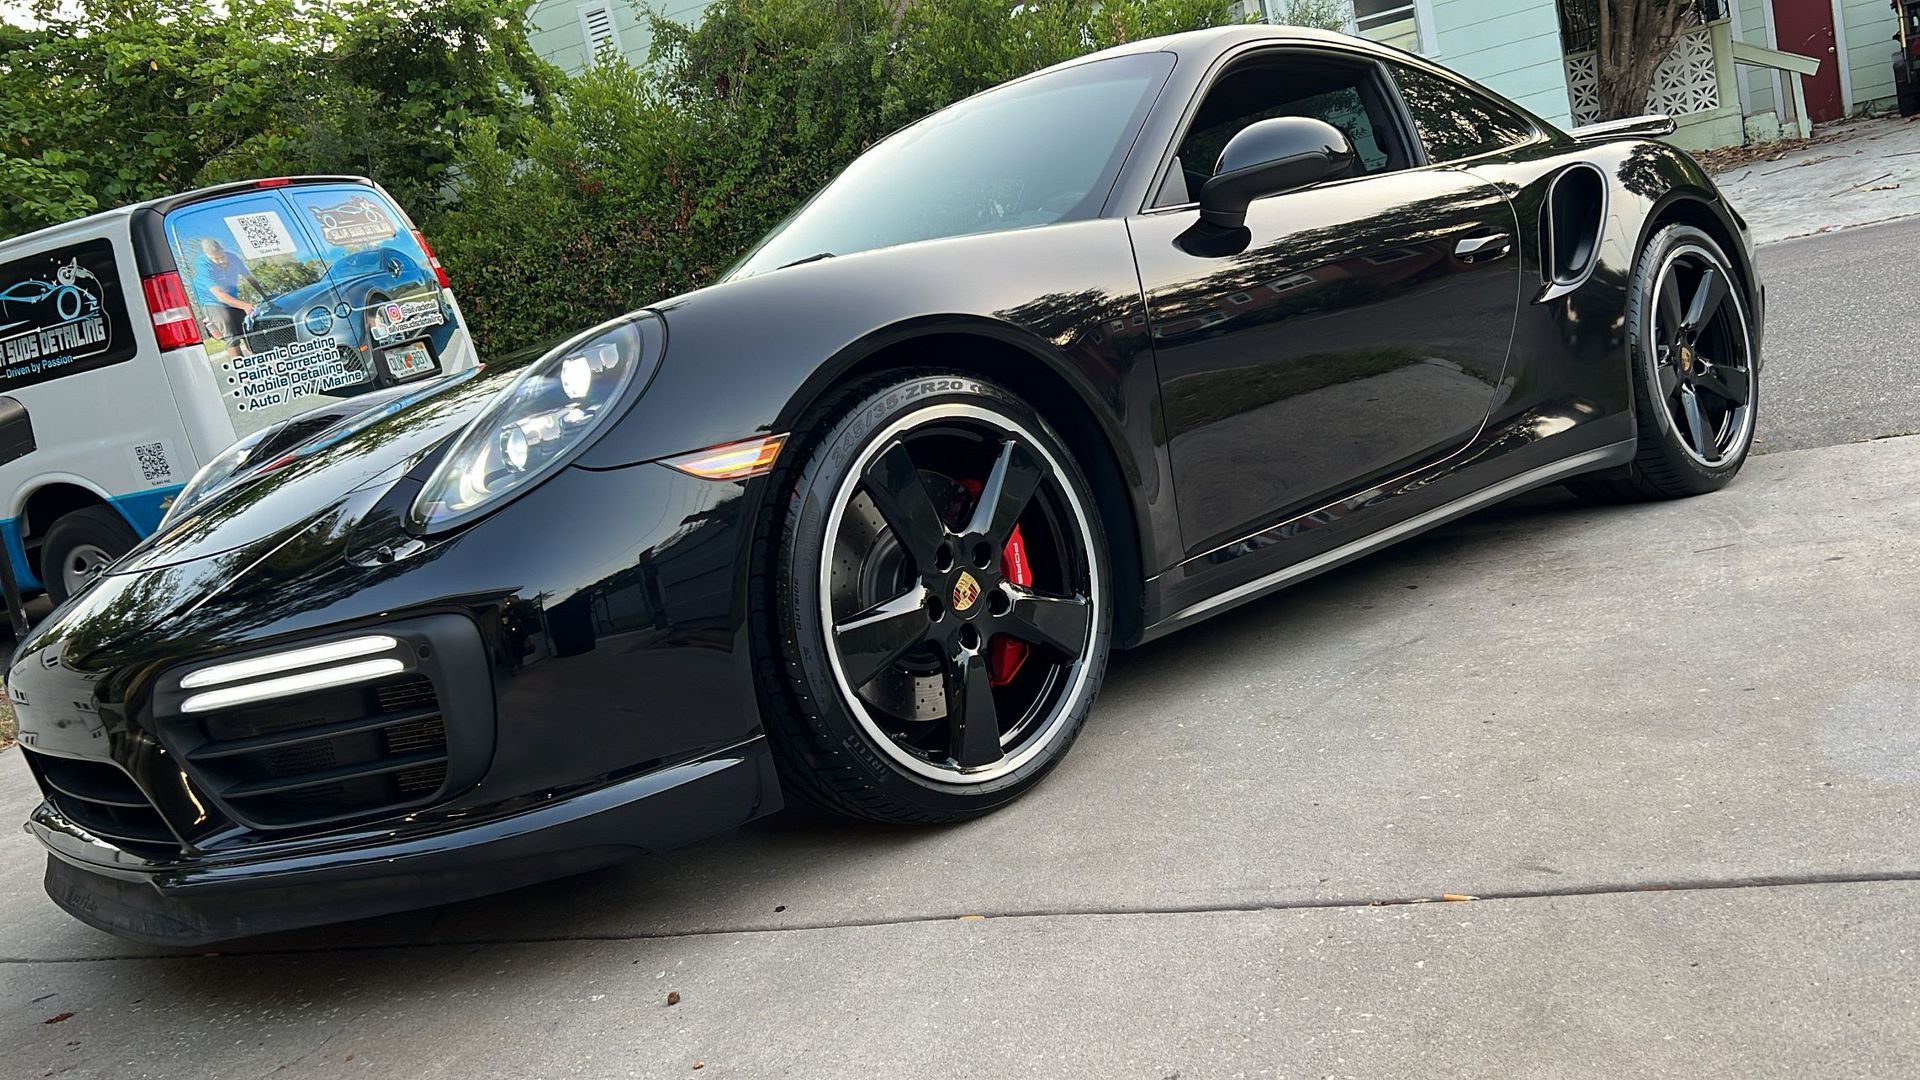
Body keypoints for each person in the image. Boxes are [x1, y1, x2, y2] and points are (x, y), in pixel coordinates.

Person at [189, 237, 263, 353]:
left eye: (222, 257)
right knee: (231, 335)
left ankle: (267, 363)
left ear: (224, 250)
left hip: (231, 296)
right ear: (208, 255)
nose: (221, 261)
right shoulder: (203, 265)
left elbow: (249, 277)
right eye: (216, 259)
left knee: (249, 331)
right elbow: (219, 295)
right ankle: (241, 369)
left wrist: (264, 295)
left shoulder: (233, 258)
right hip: (212, 301)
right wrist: (244, 305)